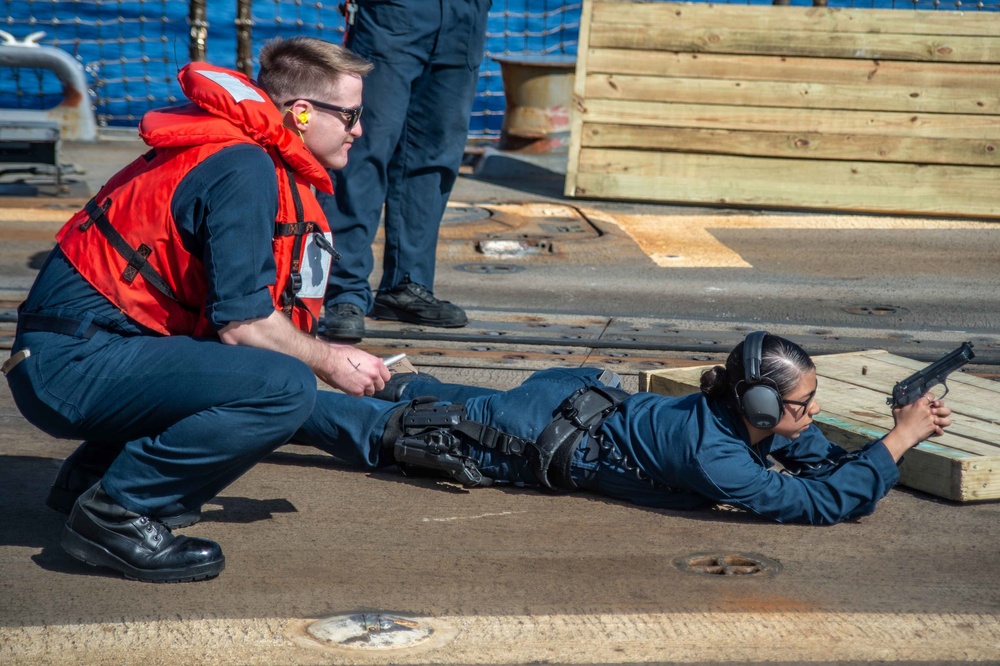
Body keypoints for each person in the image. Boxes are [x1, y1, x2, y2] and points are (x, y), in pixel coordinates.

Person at [1, 37, 392, 583]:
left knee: (239, 367)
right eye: (350, 115)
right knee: (283, 387)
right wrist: (330, 359)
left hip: (72, 350)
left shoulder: (236, 152)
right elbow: (246, 324)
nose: (358, 129)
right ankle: (115, 514)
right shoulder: (245, 167)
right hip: (71, 364)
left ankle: (90, 481)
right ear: (300, 114)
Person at [292, 332, 953, 525]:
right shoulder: (713, 454)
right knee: (385, 433)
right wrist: (898, 443)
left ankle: (401, 381)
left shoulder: (750, 420)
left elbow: (814, 459)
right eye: (802, 405)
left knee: (439, 400)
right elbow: (816, 501)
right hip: (531, 435)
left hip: (567, 402)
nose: (809, 417)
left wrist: (885, 441)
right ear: (758, 408)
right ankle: (263, 401)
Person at [317, 0, 492, 341]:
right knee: (362, 148)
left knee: (435, 156)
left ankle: (407, 285)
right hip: (396, 12)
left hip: (466, 16)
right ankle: (344, 291)